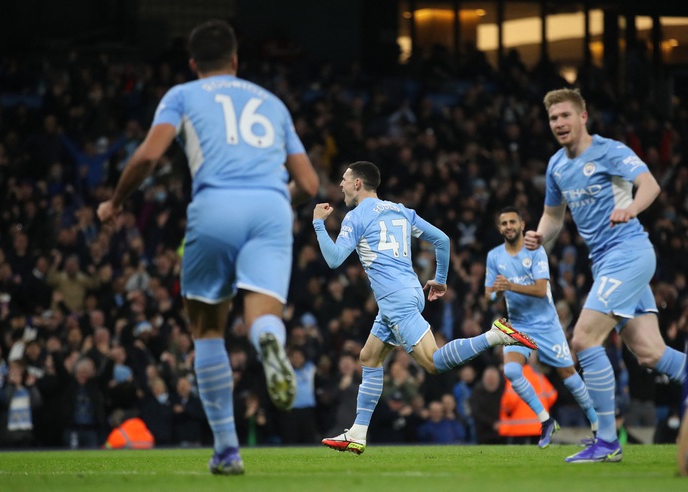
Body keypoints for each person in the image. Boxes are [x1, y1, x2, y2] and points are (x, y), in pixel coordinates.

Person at [97, 19, 319, 475]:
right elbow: (311, 183)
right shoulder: (273, 103)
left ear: (193, 63)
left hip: (216, 204)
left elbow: (149, 156)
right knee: (263, 315)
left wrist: (116, 201)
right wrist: (278, 201)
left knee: (207, 329)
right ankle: (271, 343)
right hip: (271, 207)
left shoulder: (182, 95)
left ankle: (226, 450)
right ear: (236, 60)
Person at [313, 161, 537, 454]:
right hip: (409, 292)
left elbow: (333, 259)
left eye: (344, 179)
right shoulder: (401, 211)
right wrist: (440, 280)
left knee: (432, 363)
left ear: (358, 183)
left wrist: (318, 222)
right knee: (369, 357)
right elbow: (441, 239)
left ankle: (495, 335)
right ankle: (357, 432)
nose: (340, 184)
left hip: (395, 300)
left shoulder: (356, 217)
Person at [524, 88, 687, 463]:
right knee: (650, 353)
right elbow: (553, 217)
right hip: (606, 262)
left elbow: (651, 185)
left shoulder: (610, 150)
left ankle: (608, 439)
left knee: (583, 339)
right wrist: (538, 239)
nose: (560, 123)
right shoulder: (556, 166)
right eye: (553, 118)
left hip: (628, 253)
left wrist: (630, 208)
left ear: (583, 117)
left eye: (566, 115)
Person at [485, 206, 598, 448]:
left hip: (547, 324)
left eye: (512, 222)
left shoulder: (535, 252)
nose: (508, 227)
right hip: (518, 324)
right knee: (512, 372)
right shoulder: (494, 256)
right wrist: (496, 293)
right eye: (504, 223)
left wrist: (510, 286)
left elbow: (539, 289)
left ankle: (599, 425)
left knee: (568, 375)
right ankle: (546, 421)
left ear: (522, 224)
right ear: (499, 228)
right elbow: (489, 295)